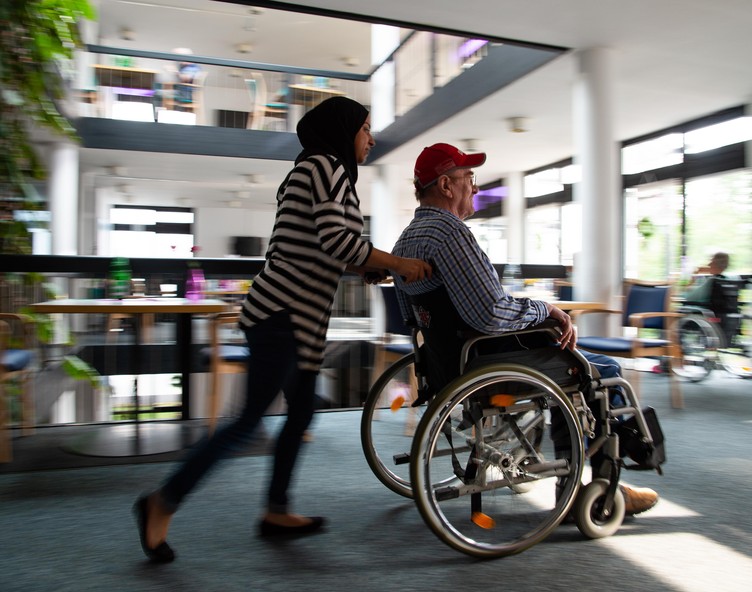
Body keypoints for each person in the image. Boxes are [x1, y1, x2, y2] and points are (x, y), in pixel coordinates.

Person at [133, 97, 432, 563]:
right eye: (366, 129)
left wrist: (366, 269)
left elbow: (325, 248)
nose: (371, 138)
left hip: (299, 319)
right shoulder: (324, 167)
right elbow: (338, 241)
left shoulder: (323, 172)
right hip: (282, 315)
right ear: (342, 130)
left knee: (299, 415)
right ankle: (161, 501)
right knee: (250, 421)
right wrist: (398, 264)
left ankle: (276, 510)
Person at [389, 142, 659, 517]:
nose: (476, 187)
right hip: (489, 361)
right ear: (446, 186)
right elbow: (491, 313)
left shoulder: (405, 240)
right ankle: (600, 483)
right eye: (469, 178)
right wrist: (547, 309)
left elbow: (412, 316)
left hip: (449, 361)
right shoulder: (450, 233)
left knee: (570, 358)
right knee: (598, 370)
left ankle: (583, 477)